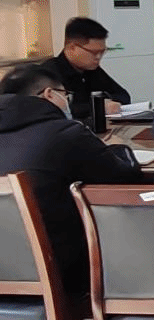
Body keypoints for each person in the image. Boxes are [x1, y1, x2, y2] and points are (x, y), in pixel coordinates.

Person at [0, 65, 143, 295]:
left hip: (8, 271)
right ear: (49, 94)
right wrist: (118, 149)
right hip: (59, 274)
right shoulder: (64, 134)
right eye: (65, 95)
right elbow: (125, 179)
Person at [42, 17, 131, 121]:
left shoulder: (92, 69)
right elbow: (58, 109)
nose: (98, 57)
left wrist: (107, 103)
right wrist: (98, 106)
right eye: (94, 52)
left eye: (102, 52)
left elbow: (123, 95)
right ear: (72, 48)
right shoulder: (48, 73)